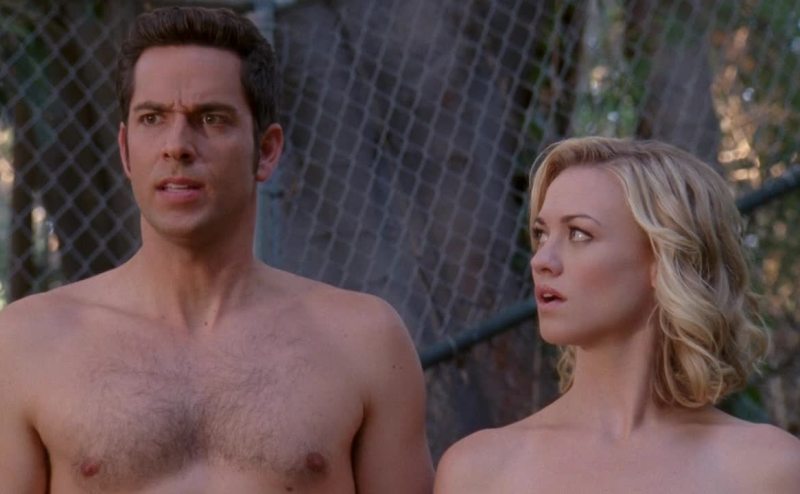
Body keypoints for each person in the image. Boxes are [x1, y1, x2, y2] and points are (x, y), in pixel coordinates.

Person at [0, 6, 433, 493]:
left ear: (266, 151)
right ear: (125, 150)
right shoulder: (28, 344)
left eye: (211, 118)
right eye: (152, 118)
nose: (177, 146)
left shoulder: (365, 343)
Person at [434, 137, 800, 493]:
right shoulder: (479, 471)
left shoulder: (768, 470)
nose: (541, 260)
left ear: (664, 261)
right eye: (542, 234)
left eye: (579, 234)